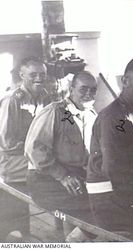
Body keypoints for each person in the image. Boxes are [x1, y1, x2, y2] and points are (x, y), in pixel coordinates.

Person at [25, 71, 98, 242]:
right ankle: (73, 241)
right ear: (72, 89)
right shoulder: (55, 112)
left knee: (107, 199)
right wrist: (63, 176)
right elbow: (35, 149)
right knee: (98, 206)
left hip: (75, 176)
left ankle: (75, 239)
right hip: (45, 180)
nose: (88, 94)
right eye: (83, 89)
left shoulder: (92, 115)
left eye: (93, 90)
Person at [87, 56, 133, 234]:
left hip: (127, 189)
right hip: (110, 197)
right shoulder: (113, 118)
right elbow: (113, 170)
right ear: (125, 81)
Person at [0, 56, 51, 240]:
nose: (39, 78)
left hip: (32, 159)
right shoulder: (12, 100)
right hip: (13, 162)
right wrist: (36, 150)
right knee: (53, 169)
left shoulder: (45, 98)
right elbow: (6, 142)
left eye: (42, 74)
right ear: (22, 75)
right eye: (33, 75)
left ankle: (66, 222)